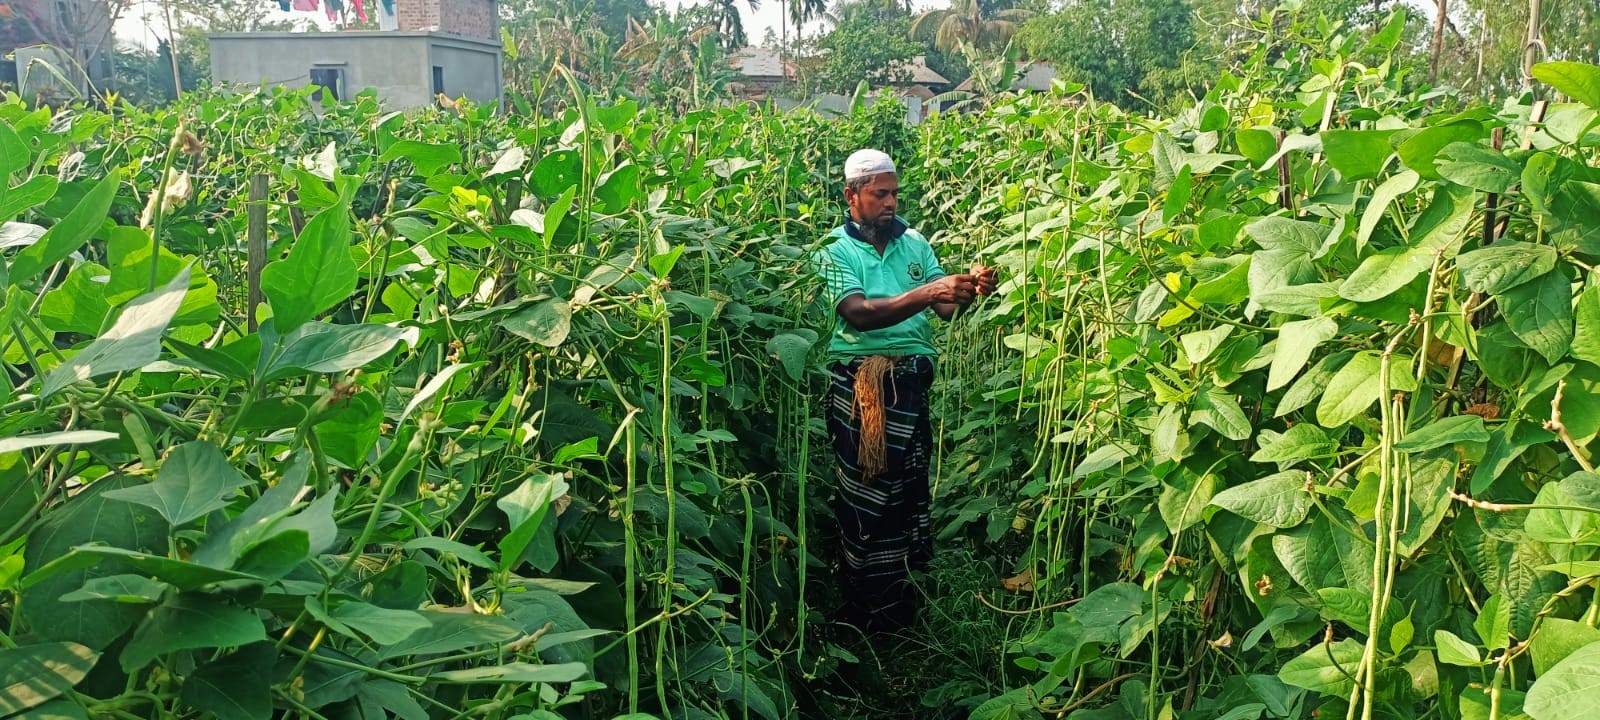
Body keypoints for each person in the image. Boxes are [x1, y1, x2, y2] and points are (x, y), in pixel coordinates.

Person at [812, 148, 997, 634]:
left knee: (906, 491)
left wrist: (969, 290)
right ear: (851, 196)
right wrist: (930, 291)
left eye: (894, 193)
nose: (891, 202)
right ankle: (861, 604)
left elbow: (944, 311)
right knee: (866, 492)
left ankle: (901, 602)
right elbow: (858, 314)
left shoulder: (914, 243)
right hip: (860, 386)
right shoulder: (833, 250)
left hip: (910, 381)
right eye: (880, 194)